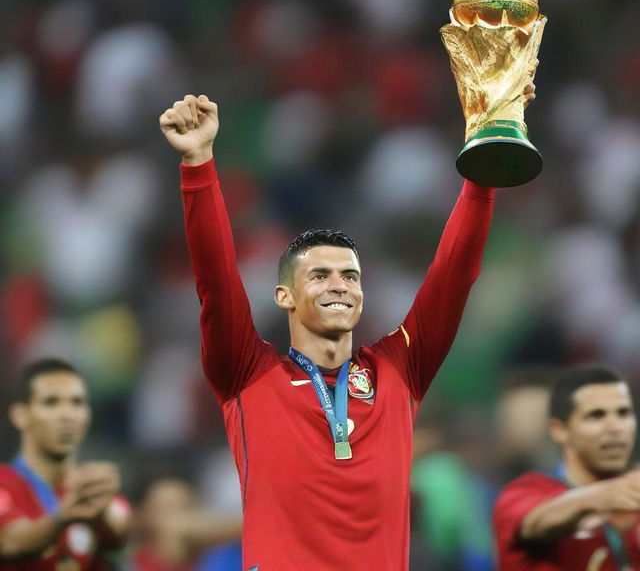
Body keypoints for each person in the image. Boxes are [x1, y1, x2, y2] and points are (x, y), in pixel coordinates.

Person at [159, 90, 514, 570]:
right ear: (283, 295)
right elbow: (216, 284)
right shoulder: (246, 373)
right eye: (319, 276)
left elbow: (453, 278)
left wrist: (482, 177)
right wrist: (198, 164)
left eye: (351, 276)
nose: (340, 286)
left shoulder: (399, 368)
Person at [493, 363, 640, 570]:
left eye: (623, 413)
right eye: (596, 415)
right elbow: (537, 522)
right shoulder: (525, 492)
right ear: (559, 431)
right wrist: (600, 497)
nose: (615, 427)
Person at [0, 358, 130, 570]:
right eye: (51, 402)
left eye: (77, 403)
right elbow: (10, 542)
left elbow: (123, 536)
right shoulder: (4, 483)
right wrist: (63, 517)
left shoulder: (93, 489)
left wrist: (103, 514)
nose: (67, 415)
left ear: (87, 414)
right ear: (20, 415)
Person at [130, 472, 242, 571]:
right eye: (166, 510)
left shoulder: (224, 559)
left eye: (185, 508)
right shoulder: (128, 564)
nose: (179, 520)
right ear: (142, 515)